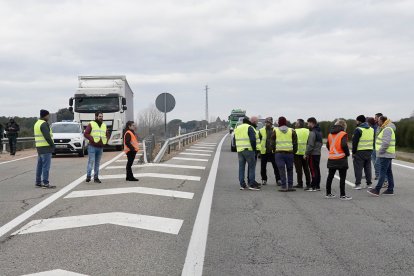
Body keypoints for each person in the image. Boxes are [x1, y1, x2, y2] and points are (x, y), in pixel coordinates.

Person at [368, 116, 396, 196]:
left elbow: (386, 143)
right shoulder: (387, 128)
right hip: (387, 154)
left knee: (382, 172)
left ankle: (377, 190)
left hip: (385, 154)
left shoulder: (387, 129)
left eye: (379, 121)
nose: (378, 122)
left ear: (383, 121)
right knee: (388, 172)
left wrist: (380, 152)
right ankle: (390, 189)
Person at [325, 120, 352, 200]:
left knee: (330, 176)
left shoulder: (330, 134)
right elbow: (344, 144)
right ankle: (342, 195)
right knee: (342, 177)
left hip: (332, 158)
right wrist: (347, 153)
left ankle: (328, 193)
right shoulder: (343, 134)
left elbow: (327, 145)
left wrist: (332, 151)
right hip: (341, 158)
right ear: (344, 126)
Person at [234, 116, 260, 191]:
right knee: (251, 167)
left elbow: (236, 140)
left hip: (240, 150)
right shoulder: (249, 127)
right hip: (248, 150)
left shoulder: (237, 128)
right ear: (248, 121)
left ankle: (242, 185)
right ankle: (251, 184)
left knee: (241, 167)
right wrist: (254, 150)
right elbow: (253, 139)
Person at [272, 116, 298, 192]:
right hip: (290, 153)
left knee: (281, 170)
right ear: (286, 122)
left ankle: (283, 186)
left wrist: (274, 150)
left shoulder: (275, 130)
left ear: (279, 122)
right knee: (290, 169)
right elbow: (295, 143)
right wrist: (294, 151)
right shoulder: (292, 130)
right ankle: (290, 186)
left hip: (279, 153)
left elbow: (272, 143)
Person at [84, 111, 109, 183]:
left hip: (100, 147)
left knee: (97, 163)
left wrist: (106, 140)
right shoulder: (91, 124)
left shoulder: (104, 125)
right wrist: (93, 140)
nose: (101, 118)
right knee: (91, 161)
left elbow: (107, 134)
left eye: (102, 116)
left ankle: (96, 178)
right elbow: (86, 134)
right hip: (92, 146)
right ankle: (88, 176)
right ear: (96, 117)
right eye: (100, 116)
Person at [34, 109, 56, 189]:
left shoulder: (37, 123)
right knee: (46, 167)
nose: (49, 117)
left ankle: (38, 182)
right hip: (46, 148)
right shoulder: (44, 124)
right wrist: (52, 145)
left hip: (39, 148)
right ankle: (46, 183)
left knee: (39, 166)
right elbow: (47, 136)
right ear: (45, 115)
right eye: (48, 115)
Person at [352, 115, 374, 190]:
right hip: (369, 150)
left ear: (359, 121)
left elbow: (355, 142)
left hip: (360, 151)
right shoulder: (371, 129)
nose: (356, 122)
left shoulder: (358, 129)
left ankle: (358, 184)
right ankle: (369, 184)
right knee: (368, 167)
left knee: (358, 168)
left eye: (356, 120)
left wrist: (353, 152)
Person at [258, 117, 281, 186]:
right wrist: (259, 150)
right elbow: (259, 140)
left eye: (268, 122)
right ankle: (264, 179)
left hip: (273, 151)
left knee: (276, 166)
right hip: (264, 151)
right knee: (263, 167)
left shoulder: (276, 130)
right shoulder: (261, 130)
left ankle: (278, 179)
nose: (267, 124)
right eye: (266, 122)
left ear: (271, 123)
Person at [305, 117, 323, 192]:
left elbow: (310, 145)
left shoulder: (312, 132)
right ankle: (317, 185)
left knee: (313, 170)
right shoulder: (319, 132)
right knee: (317, 169)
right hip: (318, 153)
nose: (307, 125)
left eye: (308, 123)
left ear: (312, 123)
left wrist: (306, 153)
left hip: (312, 154)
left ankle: (313, 186)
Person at [293, 119, 311, 189]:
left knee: (299, 169)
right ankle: (308, 184)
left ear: (299, 125)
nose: (295, 125)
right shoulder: (308, 131)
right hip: (305, 152)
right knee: (306, 169)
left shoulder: (295, 131)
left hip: (297, 152)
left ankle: (300, 183)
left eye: (296, 124)